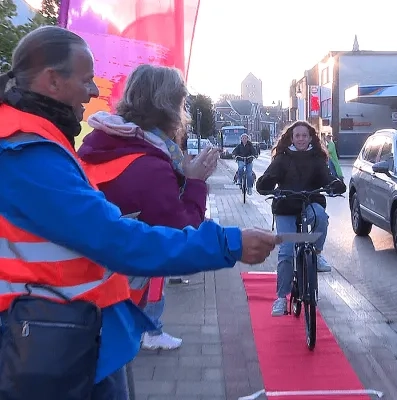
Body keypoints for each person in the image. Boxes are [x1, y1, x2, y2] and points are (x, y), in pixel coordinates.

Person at [0, 26, 278, 399]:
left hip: (65, 330)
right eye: (86, 80)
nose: (95, 92)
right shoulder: (29, 155)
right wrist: (229, 243)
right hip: (54, 341)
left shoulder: (54, 142)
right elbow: (116, 238)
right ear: (52, 81)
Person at [78, 64, 217, 351]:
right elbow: (182, 236)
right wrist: (195, 183)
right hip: (113, 303)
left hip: (77, 291)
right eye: (181, 101)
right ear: (169, 106)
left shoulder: (100, 143)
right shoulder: (150, 164)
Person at [256, 121, 346, 317]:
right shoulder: (282, 158)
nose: (301, 139)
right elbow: (268, 177)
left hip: (310, 202)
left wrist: (335, 184)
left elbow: (326, 177)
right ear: (291, 137)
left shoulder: (317, 158)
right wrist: (267, 183)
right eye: (297, 136)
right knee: (286, 252)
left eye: (304, 135)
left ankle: (317, 251)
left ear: (310, 137)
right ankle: (281, 298)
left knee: (321, 216)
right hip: (286, 206)